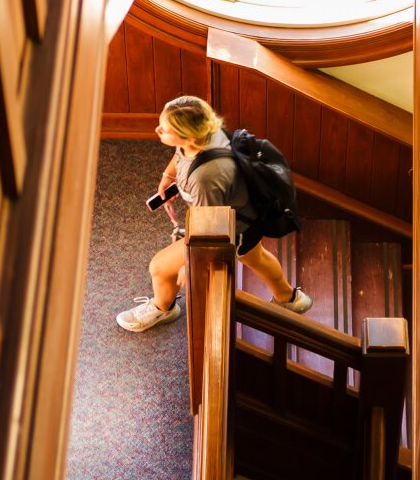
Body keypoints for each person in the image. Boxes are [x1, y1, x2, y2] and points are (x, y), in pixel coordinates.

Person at [117, 95, 313, 332]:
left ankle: (163, 307)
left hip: (232, 230)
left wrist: (189, 265)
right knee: (257, 257)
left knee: (159, 267)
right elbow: (180, 153)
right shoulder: (207, 131)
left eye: (165, 129)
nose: (157, 129)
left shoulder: (206, 179)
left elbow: (209, 229)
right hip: (246, 221)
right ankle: (289, 299)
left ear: (190, 136)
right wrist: (168, 178)